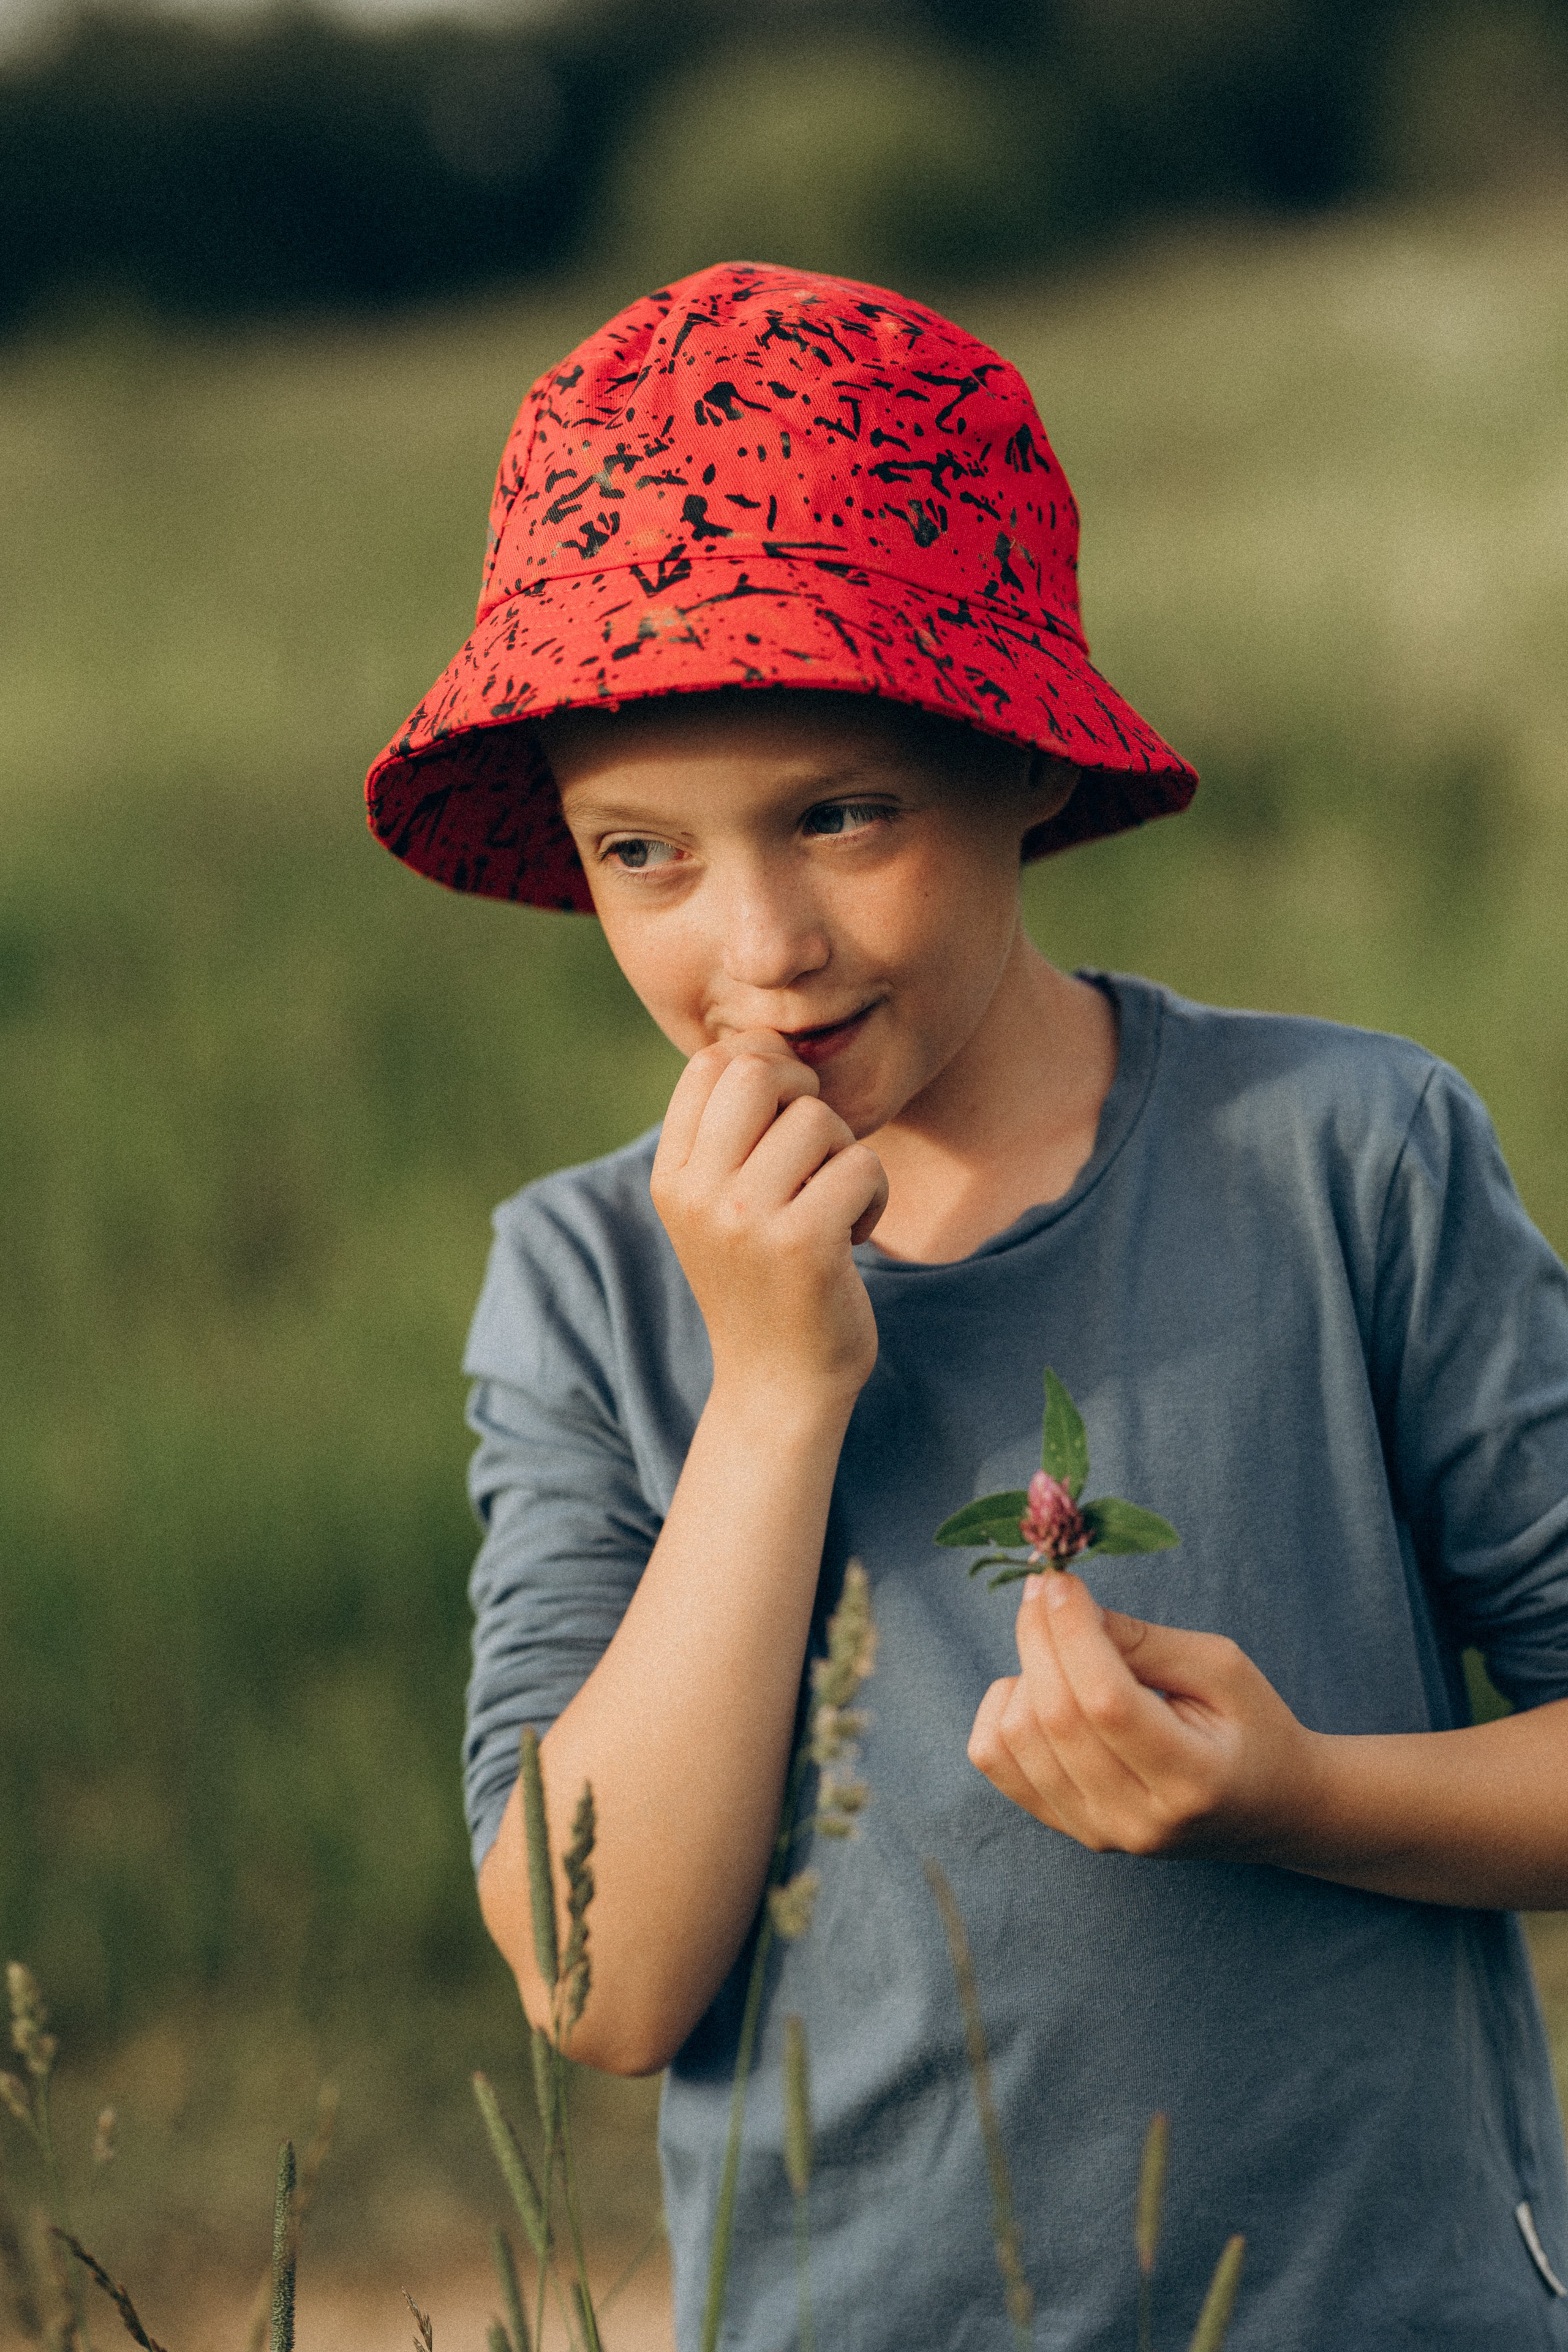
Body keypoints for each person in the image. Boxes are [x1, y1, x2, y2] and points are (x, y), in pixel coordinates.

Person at [364, 261, 1568, 2350]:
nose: (762, 947)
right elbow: (599, 1979)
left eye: (842, 815)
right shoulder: (582, 1289)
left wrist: (1306, 1800)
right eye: (642, 853)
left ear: (1023, 764)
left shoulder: (1342, 1158)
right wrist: (766, 1391)